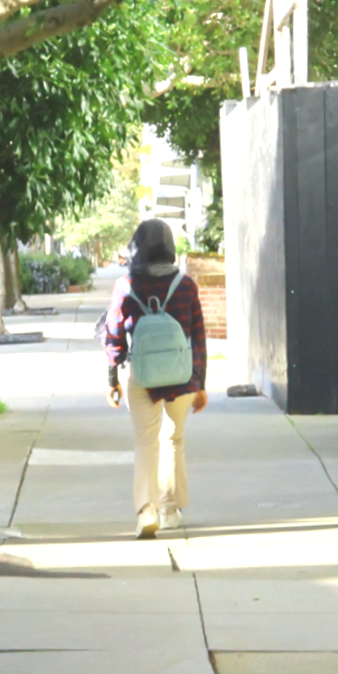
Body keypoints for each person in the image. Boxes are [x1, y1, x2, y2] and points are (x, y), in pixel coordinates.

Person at [100, 218, 208, 538]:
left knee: (145, 441)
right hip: (182, 375)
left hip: (143, 376)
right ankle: (170, 510)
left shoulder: (125, 286)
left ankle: (147, 511)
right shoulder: (186, 285)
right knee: (173, 439)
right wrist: (200, 383)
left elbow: (113, 335)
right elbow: (198, 336)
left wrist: (112, 378)